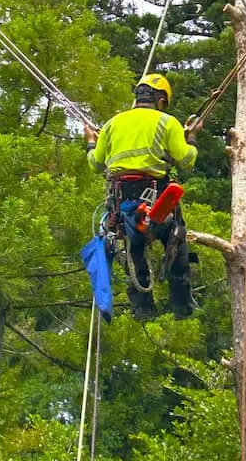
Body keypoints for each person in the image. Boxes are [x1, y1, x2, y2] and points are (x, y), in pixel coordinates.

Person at [84, 73, 203, 321]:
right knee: (175, 239)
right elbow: (186, 160)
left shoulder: (112, 124)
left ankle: (142, 309)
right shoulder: (167, 122)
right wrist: (190, 137)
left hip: (122, 203)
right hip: (155, 199)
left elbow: (96, 164)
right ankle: (183, 306)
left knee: (132, 248)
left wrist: (90, 144)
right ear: (160, 99)